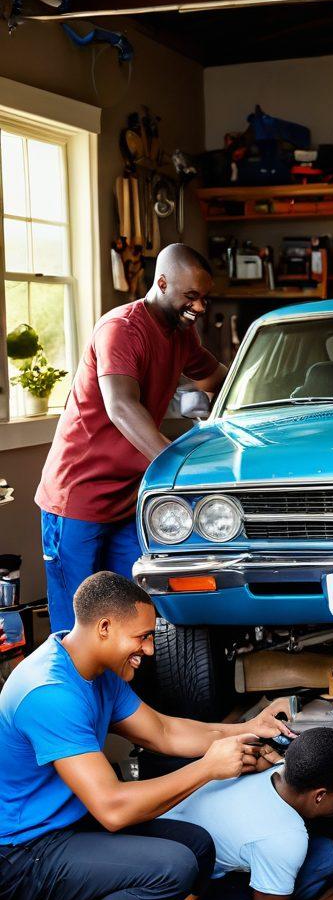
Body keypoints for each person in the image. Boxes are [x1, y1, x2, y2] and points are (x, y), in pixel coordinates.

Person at [0, 571, 291, 900]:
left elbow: (164, 732)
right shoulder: (50, 691)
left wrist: (247, 729)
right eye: (142, 637)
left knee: (196, 845)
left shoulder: (94, 670)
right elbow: (114, 810)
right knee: (170, 868)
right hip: (22, 856)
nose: (150, 650)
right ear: (104, 628)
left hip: (65, 830)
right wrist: (208, 768)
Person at [35, 244, 225, 633]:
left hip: (127, 501)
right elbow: (120, 406)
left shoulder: (180, 335)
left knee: (134, 615)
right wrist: (180, 469)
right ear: (162, 283)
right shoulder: (121, 329)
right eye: (191, 296)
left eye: (205, 298)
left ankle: (129, 679)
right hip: (79, 497)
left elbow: (219, 378)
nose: (200, 307)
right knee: (79, 627)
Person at [159, 728, 333, 900]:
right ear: (319, 796)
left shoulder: (273, 768)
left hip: (161, 840)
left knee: (322, 852)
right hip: (178, 895)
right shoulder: (285, 838)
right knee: (322, 861)